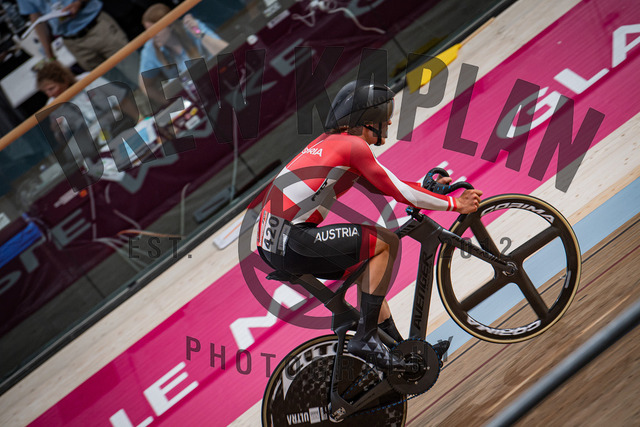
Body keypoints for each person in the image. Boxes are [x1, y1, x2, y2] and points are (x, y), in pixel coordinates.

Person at [255, 80, 483, 370]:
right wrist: (455, 204)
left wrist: (427, 190)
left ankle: (402, 353)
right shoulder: (352, 146)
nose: (388, 126)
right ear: (367, 121)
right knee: (386, 243)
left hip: (274, 242)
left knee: (369, 271)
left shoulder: (329, 143)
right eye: (384, 120)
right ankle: (365, 339)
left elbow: (383, 185)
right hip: (292, 240)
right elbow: (399, 191)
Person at [17, 0, 129, 72]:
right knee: (114, 90)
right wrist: (50, 56)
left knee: (134, 70)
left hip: (96, 27)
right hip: (73, 42)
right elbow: (37, 20)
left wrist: (78, 3)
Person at [138, 3, 228, 87]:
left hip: (220, 79)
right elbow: (145, 85)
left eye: (155, 30)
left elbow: (227, 52)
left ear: (169, 24)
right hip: (197, 92)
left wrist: (199, 34)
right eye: (149, 32)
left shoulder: (190, 27)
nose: (153, 36)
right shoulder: (151, 49)